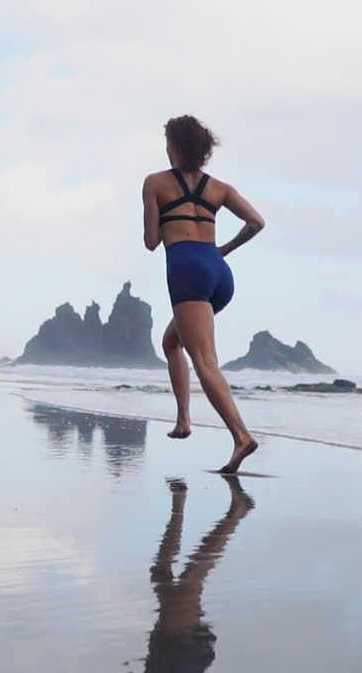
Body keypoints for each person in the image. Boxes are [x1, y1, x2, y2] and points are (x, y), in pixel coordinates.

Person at [142, 115, 265, 474]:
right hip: (218, 274)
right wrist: (222, 250)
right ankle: (183, 420)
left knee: (206, 361)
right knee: (171, 342)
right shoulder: (220, 188)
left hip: (187, 274)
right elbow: (257, 222)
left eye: (168, 144)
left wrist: (161, 215)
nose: (166, 150)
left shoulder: (154, 183)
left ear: (176, 147)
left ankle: (242, 436)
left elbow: (151, 242)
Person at [144, 476, 255, 671]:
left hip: (169, 649)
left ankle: (179, 503)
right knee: (189, 581)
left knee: (161, 573)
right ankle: (237, 512)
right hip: (180, 648)